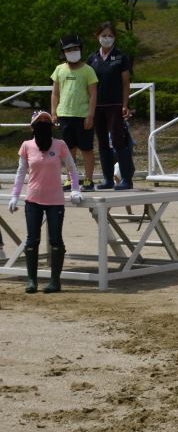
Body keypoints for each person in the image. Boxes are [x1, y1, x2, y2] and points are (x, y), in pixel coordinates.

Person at [8, 111, 83, 293]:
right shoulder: (26, 146)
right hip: (33, 199)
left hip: (55, 200)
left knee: (56, 239)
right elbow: (20, 173)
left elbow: (71, 168)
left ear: (51, 125)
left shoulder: (60, 145)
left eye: (46, 121)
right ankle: (32, 280)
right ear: (33, 126)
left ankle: (55, 281)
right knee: (32, 239)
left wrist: (75, 189)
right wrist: (15, 195)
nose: (43, 124)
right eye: (39, 121)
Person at [87, 22, 135, 190]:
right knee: (102, 142)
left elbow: (125, 83)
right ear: (98, 36)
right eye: (104, 35)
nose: (106, 38)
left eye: (110, 35)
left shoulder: (121, 57)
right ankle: (107, 178)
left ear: (114, 37)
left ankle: (126, 179)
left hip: (115, 105)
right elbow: (88, 84)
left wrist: (125, 104)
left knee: (118, 141)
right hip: (97, 105)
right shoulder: (92, 58)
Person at [51, 34, 98, 191]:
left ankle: (88, 179)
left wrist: (90, 114)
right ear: (63, 52)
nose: (72, 52)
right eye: (69, 49)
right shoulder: (59, 69)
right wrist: (53, 112)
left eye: (75, 48)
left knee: (86, 148)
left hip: (83, 115)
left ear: (81, 49)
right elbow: (55, 93)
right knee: (68, 149)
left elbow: (93, 94)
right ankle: (71, 179)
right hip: (64, 114)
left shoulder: (88, 70)